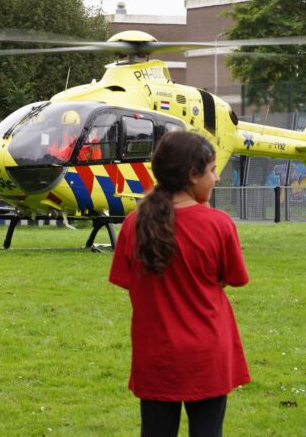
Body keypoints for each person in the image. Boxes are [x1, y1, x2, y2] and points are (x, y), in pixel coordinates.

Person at [108, 131, 250, 437]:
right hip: (207, 355)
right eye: (212, 170)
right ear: (191, 174)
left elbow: (127, 280)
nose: (217, 178)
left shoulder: (134, 223)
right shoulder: (218, 224)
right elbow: (234, 278)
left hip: (156, 355)